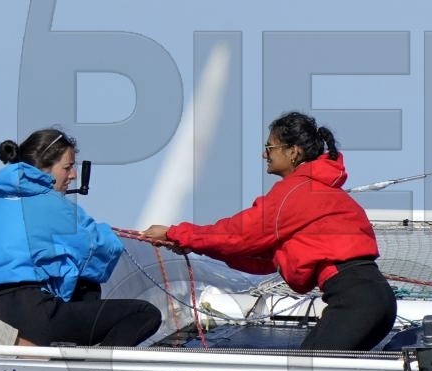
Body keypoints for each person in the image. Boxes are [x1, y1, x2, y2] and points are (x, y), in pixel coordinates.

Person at [143, 111, 398, 351]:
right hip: (376, 299)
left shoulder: (295, 192)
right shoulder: (322, 191)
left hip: (355, 300)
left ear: (293, 152)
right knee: (310, 370)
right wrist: (194, 244)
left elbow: (241, 234)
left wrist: (176, 233)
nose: (263, 154)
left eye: (269, 147)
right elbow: (263, 258)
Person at [0, 128, 161, 348]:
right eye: (67, 167)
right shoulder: (53, 205)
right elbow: (100, 248)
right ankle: (98, 368)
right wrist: (107, 233)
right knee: (144, 313)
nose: (73, 175)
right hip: (35, 314)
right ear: (43, 167)